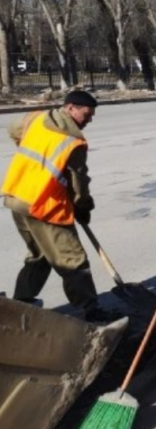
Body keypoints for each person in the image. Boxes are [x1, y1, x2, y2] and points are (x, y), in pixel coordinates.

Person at [2, 90, 110, 322]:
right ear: (70, 108)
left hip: (17, 197)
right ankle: (91, 311)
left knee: (40, 254)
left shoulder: (37, 118)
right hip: (44, 206)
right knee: (72, 260)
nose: (89, 120)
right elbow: (79, 184)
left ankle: (22, 301)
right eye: (86, 114)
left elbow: (13, 130)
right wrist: (83, 208)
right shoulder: (74, 141)